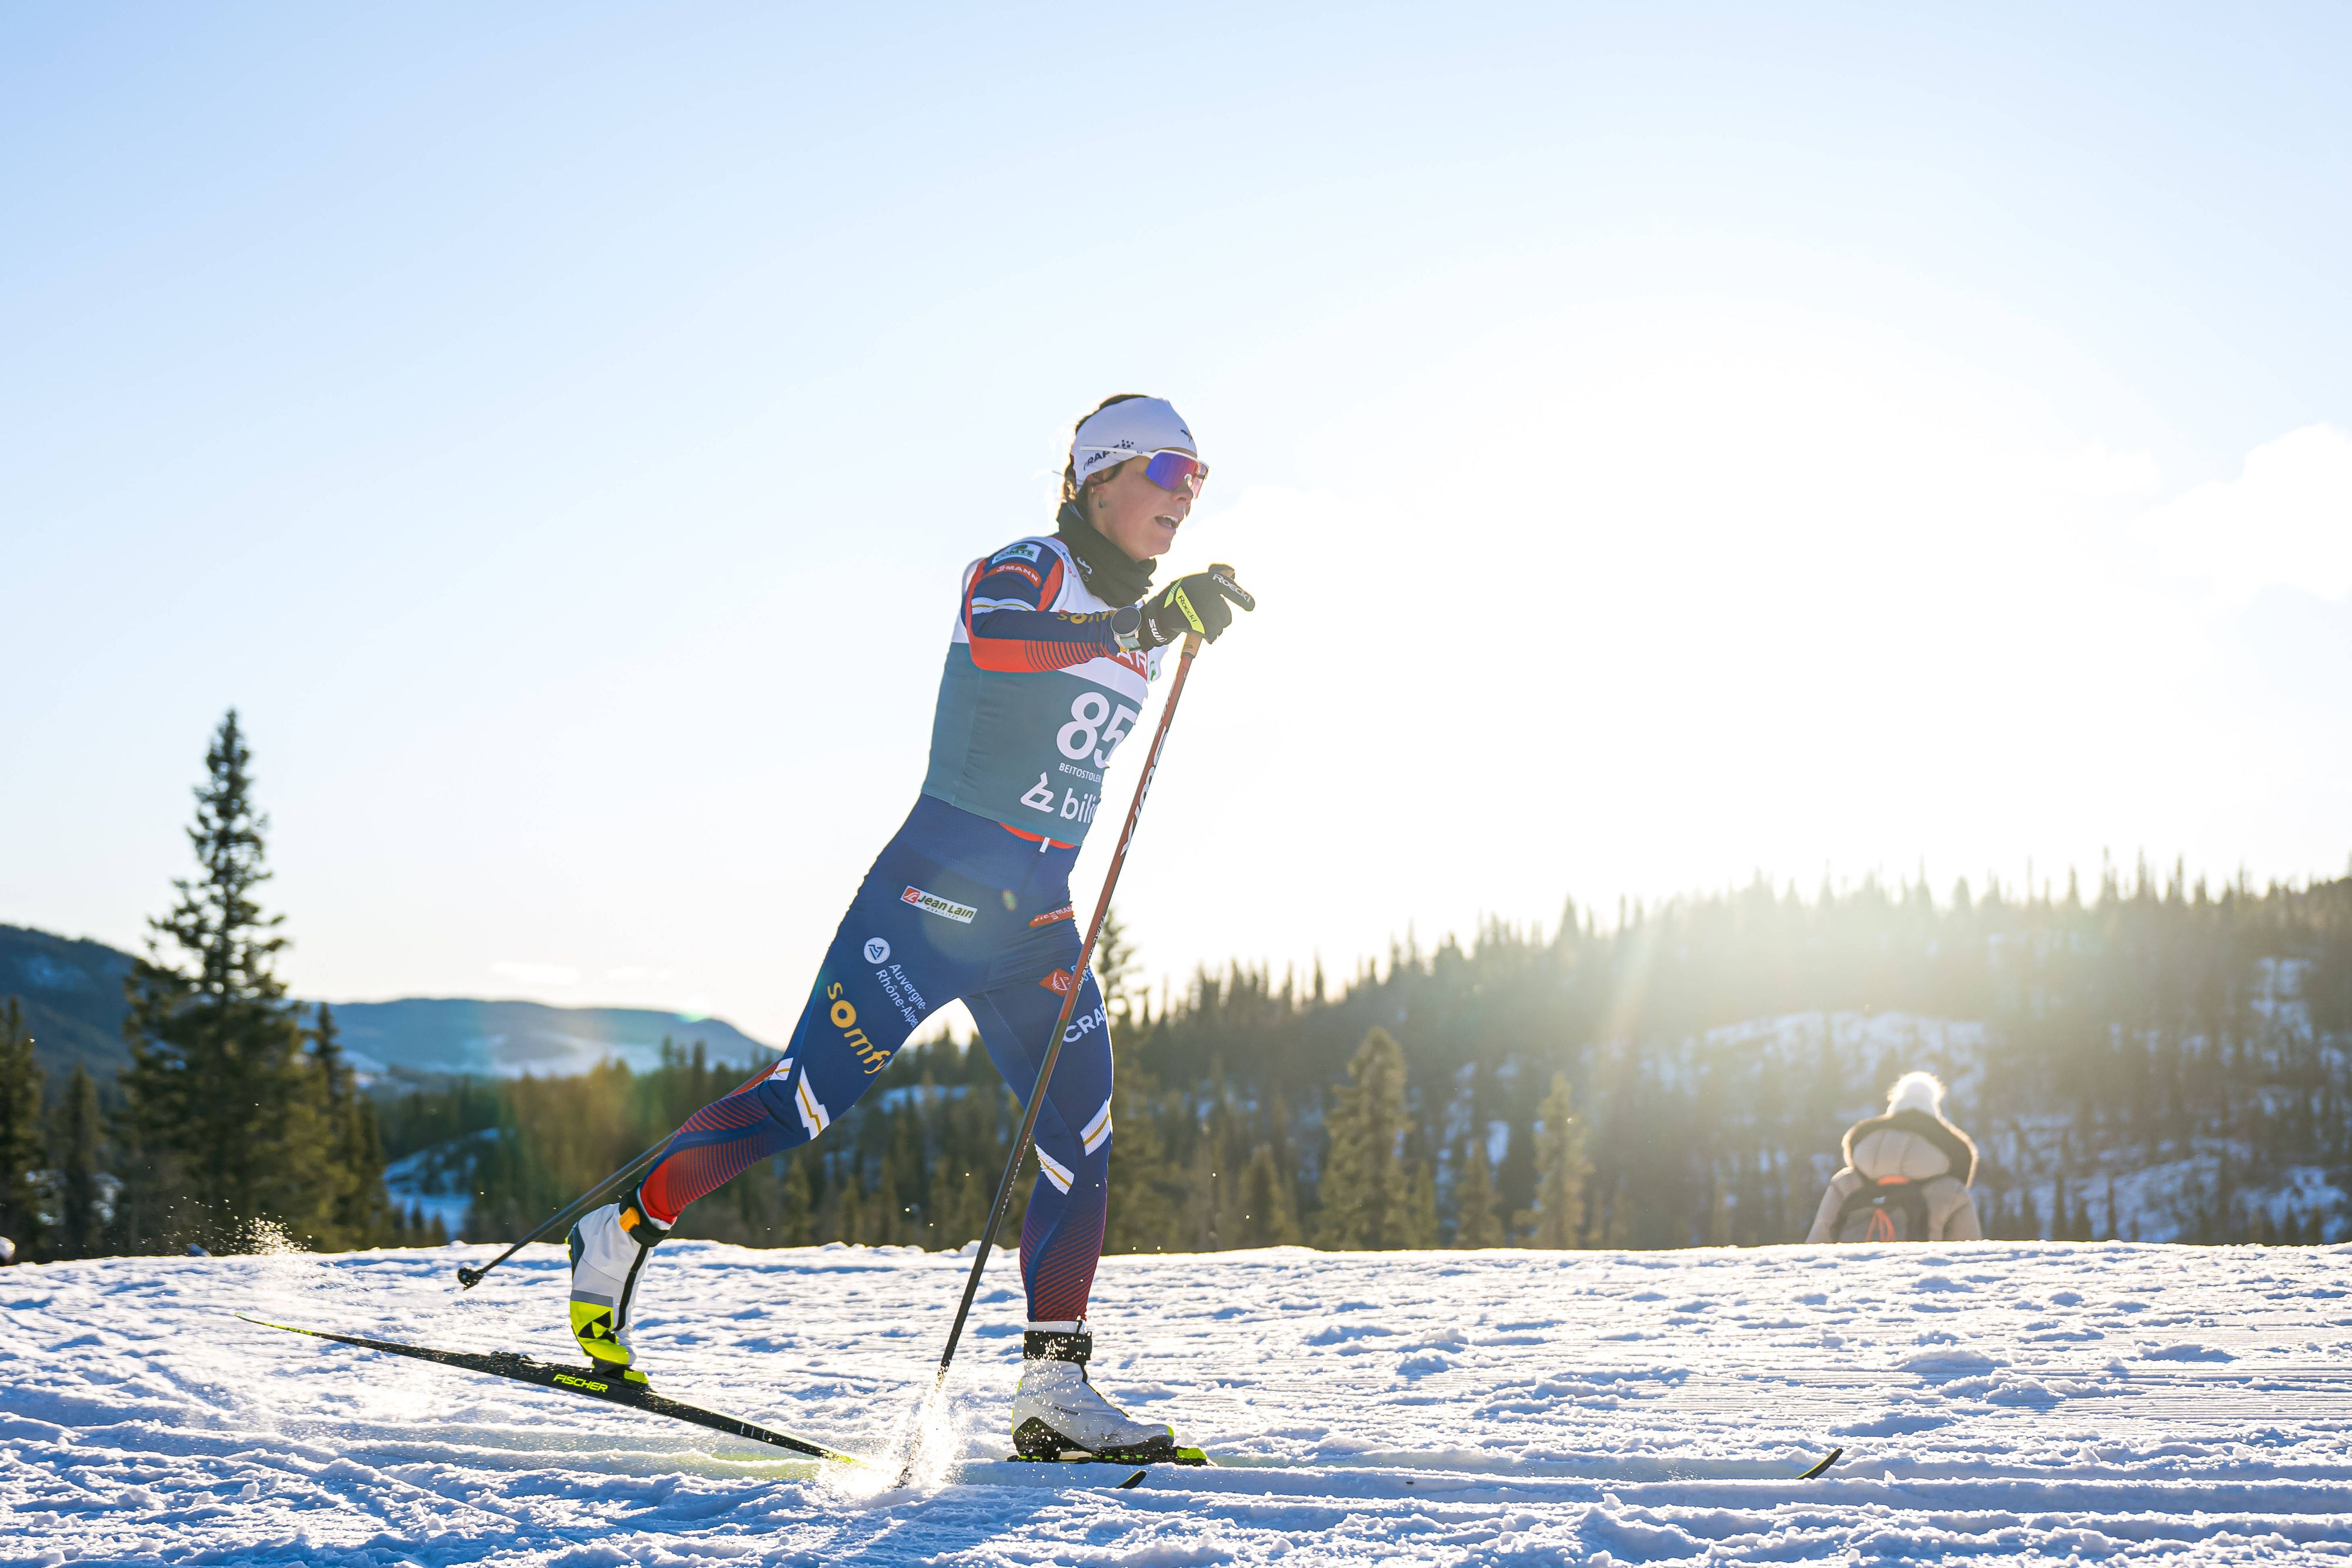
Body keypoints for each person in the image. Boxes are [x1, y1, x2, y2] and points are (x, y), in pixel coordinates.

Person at [564, 394, 1251, 1462]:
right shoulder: (1028, 568)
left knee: (1082, 1132)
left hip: (1039, 922)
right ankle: (620, 1228)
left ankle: (1053, 1390)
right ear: (1100, 477)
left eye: (1200, 479)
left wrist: (1160, 622)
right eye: (1169, 472)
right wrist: (1141, 623)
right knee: (802, 1102)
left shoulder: (1144, 617)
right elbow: (999, 636)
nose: (1187, 495)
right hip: (930, 900)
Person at [1805, 1071, 1984, 1243]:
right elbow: (1966, 1258)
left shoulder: (1846, 1183)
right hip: (1920, 1274)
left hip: (1850, 1274)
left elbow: (1818, 1242)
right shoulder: (1951, 1190)